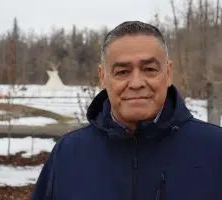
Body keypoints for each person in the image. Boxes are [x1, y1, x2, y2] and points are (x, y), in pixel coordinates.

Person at [30, 21, 222, 200]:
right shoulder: (69, 154)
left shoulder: (215, 149)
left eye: (149, 69)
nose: (137, 83)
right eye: (123, 72)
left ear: (168, 73)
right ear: (103, 77)